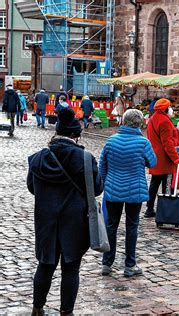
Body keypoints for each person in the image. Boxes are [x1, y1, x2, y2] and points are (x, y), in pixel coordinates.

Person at [27, 108, 103, 315]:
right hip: (75, 221)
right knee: (70, 269)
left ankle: (37, 308)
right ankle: (66, 312)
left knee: (45, 265)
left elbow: (32, 188)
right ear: (75, 135)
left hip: (46, 220)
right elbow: (97, 188)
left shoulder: (38, 159)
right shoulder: (85, 158)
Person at [100, 109, 157, 277]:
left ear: (123, 121)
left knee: (111, 225)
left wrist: (106, 182)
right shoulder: (143, 143)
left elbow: (102, 166)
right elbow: (152, 163)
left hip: (113, 189)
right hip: (135, 189)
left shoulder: (111, 141)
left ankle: (107, 263)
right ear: (139, 123)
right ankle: (130, 265)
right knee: (132, 226)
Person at [145, 98, 179, 218]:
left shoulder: (152, 119)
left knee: (154, 183)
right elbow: (167, 143)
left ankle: (149, 208)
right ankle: (164, 209)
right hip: (164, 157)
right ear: (166, 108)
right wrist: (176, 158)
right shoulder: (164, 121)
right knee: (166, 184)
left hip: (155, 155)